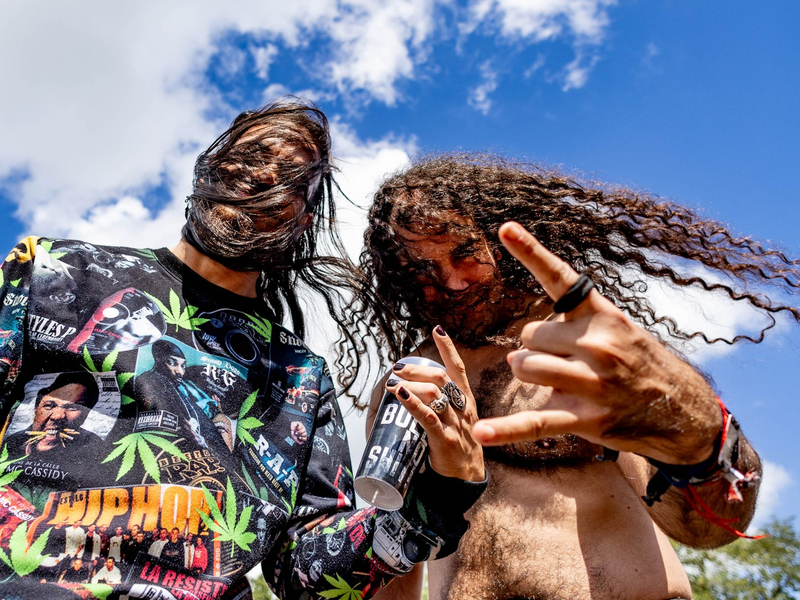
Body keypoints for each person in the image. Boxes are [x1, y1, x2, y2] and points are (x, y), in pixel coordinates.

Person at [0, 100, 485, 599]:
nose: (259, 178)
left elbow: (310, 579)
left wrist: (441, 495)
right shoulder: (56, 271)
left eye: (289, 177)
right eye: (247, 158)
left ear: (304, 219)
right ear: (206, 168)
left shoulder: (300, 377)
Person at [360, 154, 800, 600]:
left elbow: (708, 529)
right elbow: (389, 565)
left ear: (496, 239)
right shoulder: (407, 383)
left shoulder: (578, 342)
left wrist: (697, 437)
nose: (453, 282)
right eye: (423, 268)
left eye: (464, 252)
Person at [4, 371, 103, 461]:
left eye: (72, 407)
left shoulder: (94, 446)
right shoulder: (13, 442)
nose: (57, 416)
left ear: (87, 413)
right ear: (36, 409)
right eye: (49, 405)